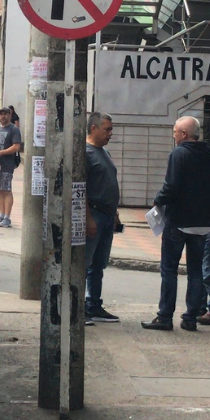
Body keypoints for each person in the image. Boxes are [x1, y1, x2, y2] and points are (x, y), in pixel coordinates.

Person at [142, 116, 210, 333]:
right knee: (196, 271)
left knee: (169, 269)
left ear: (184, 134)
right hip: (202, 225)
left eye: (175, 132)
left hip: (178, 222)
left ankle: (165, 316)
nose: (174, 135)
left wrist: (158, 200)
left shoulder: (179, 154)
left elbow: (171, 186)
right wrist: (207, 212)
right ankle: (190, 318)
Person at [84, 112, 121, 325]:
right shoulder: (85, 153)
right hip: (94, 215)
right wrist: (88, 218)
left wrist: (115, 214)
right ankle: (80, 308)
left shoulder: (104, 152)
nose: (110, 134)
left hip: (107, 215)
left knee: (98, 264)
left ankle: (94, 305)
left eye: (111, 129)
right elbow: (81, 190)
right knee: (85, 263)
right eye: (107, 129)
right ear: (94, 128)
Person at [0, 107, 22, 228]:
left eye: (5, 114)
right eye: (1, 114)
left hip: (7, 165)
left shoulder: (14, 129)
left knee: (6, 190)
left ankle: (7, 217)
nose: (3, 116)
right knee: (0, 191)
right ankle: (1, 215)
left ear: (10, 115)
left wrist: (1, 153)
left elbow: (16, 146)